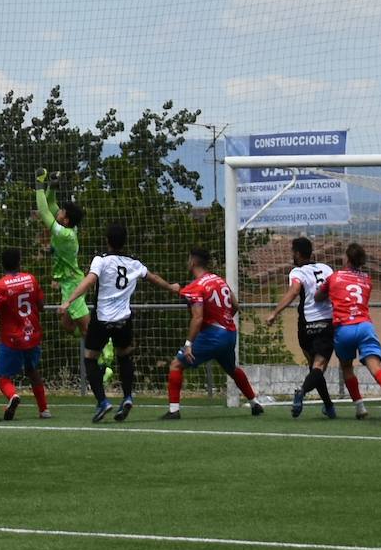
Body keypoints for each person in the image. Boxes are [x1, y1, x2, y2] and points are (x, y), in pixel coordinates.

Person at [61, 222, 179, 422]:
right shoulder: (133, 263)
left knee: (90, 358)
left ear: (107, 240)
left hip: (102, 319)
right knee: (124, 356)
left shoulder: (101, 260)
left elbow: (89, 281)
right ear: (124, 242)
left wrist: (69, 300)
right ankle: (127, 397)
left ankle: (102, 402)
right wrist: (171, 287)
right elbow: (153, 278)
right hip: (124, 320)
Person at [162, 247, 264, 420]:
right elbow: (236, 306)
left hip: (213, 335)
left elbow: (197, 318)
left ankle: (173, 411)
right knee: (231, 369)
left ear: (193, 262)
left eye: (189, 259)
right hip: (230, 333)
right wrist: (224, 320)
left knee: (176, 365)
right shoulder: (219, 280)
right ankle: (255, 403)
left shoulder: (195, 287)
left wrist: (188, 344)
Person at [317, 243, 381, 422]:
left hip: (344, 328)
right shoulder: (367, 280)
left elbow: (318, 296)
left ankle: (360, 407)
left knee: (347, 367)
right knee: (375, 367)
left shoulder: (334, 277)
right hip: (364, 326)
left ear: (347, 259)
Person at [0, 248, 50, 421]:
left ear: (2, 264)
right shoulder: (31, 279)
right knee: (32, 371)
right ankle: (44, 409)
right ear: (19, 262)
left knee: (3, 377)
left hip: (12, 339)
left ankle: (13, 395)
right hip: (32, 335)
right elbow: (41, 306)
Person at [264, 237, 337, 419]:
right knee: (318, 368)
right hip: (325, 323)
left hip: (305, 326)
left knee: (314, 368)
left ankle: (329, 406)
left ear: (297, 253)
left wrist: (275, 312)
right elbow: (336, 290)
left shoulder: (297, 271)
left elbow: (294, 290)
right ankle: (302, 391)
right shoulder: (327, 269)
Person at [35, 169, 90, 343]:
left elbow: (44, 211)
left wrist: (39, 184)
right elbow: (51, 204)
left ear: (65, 220)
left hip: (73, 283)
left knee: (87, 328)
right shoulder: (68, 227)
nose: (58, 211)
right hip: (69, 281)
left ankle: (106, 352)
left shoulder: (64, 234)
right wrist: (52, 187)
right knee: (67, 325)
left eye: (62, 212)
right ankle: (96, 345)